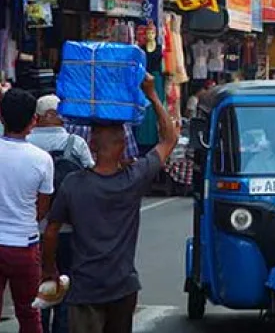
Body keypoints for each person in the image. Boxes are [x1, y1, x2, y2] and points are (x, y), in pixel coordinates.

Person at [41, 75, 178, 333]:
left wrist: (49, 268)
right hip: (122, 287)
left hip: (85, 288)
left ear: (91, 145)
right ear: (122, 146)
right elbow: (169, 139)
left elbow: (51, 231)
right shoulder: (133, 179)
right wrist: (152, 93)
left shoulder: (72, 183)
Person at [28, 95, 95, 333]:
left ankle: (40, 327)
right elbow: (92, 179)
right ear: (54, 115)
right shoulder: (76, 144)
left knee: (38, 287)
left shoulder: (25, 143)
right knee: (66, 285)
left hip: (34, 231)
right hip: (69, 229)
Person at [0, 88, 52, 333]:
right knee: (30, 314)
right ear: (34, 121)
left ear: (1, 118)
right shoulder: (42, 159)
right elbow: (41, 208)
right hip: (25, 245)